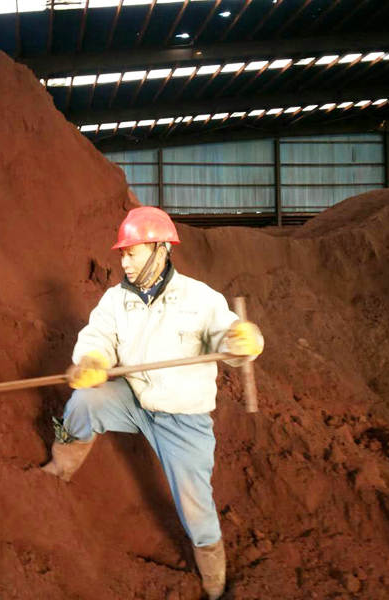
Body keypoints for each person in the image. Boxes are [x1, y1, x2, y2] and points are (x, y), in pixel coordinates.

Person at [41, 205, 264, 600]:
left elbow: (227, 337)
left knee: (196, 507)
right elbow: (98, 337)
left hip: (183, 419)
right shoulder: (116, 300)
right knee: (84, 402)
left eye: (132, 253)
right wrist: (92, 360)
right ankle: (59, 470)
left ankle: (214, 580)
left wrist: (242, 341)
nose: (124, 262)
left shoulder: (199, 298)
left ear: (161, 249)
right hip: (134, 398)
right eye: (123, 254)